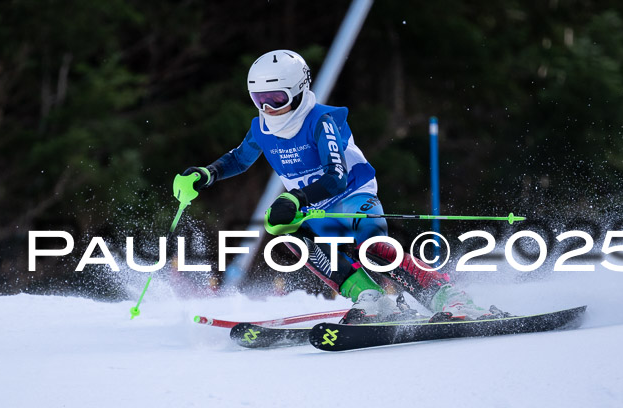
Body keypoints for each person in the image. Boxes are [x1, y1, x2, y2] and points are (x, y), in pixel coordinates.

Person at [183, 50, 503, 322]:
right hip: (310, 205)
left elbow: (336, 177)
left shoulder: (321, 121)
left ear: (298, 90)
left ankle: (448, 297)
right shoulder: (262, 127)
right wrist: (204, 174)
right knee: (293, 238)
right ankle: (371, 299)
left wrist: (296, 198)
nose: (268, 108)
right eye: (259, 99)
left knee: (371, 245)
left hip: (351, 192)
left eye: (276, 98)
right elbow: (240, 159)